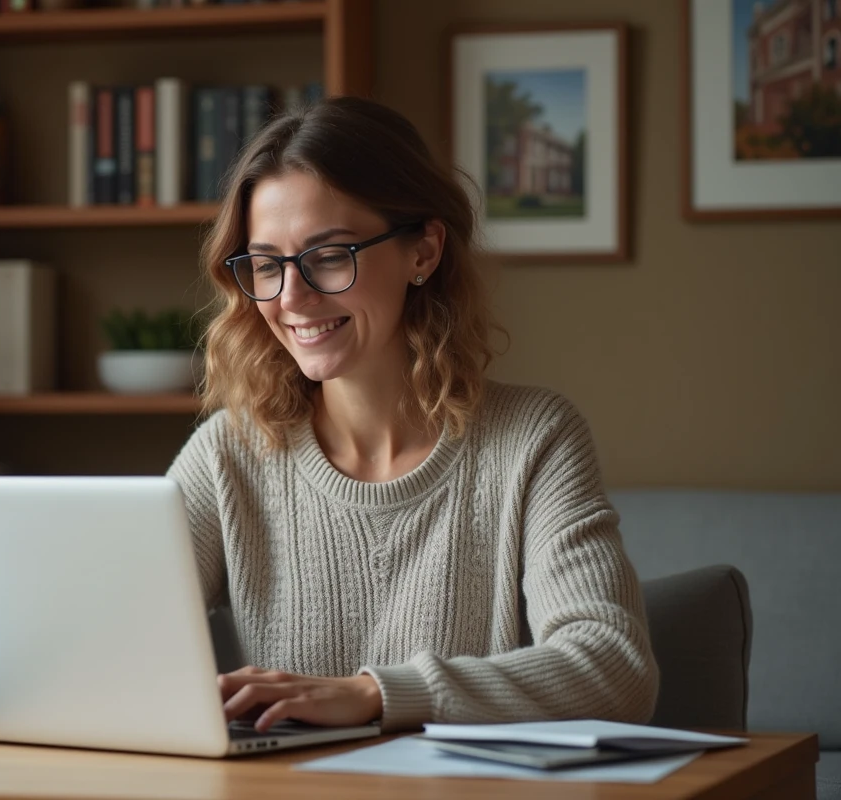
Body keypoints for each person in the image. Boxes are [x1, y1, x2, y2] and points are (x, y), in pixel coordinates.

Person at [167, 96, 659, 735]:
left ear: (423, 252)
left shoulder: (534, 438)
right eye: (267, 265)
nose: (292, 297)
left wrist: (376, 694)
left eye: (329, 255)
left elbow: (615, 668)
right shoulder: (228, 453)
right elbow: (103, 626)